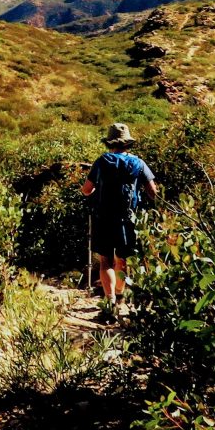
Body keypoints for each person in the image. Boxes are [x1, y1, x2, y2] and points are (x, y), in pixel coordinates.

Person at [80, 122, 158, 316]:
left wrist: (97, 191)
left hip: (103, 217)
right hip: (127, 218)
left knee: (105, 259)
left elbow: (86, 190)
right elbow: (153, 192)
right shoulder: (138, 163)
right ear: (127, 143)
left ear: (110, 142)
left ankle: (110, 301)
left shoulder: (102, 161)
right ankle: (120, 296)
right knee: (121, 259)